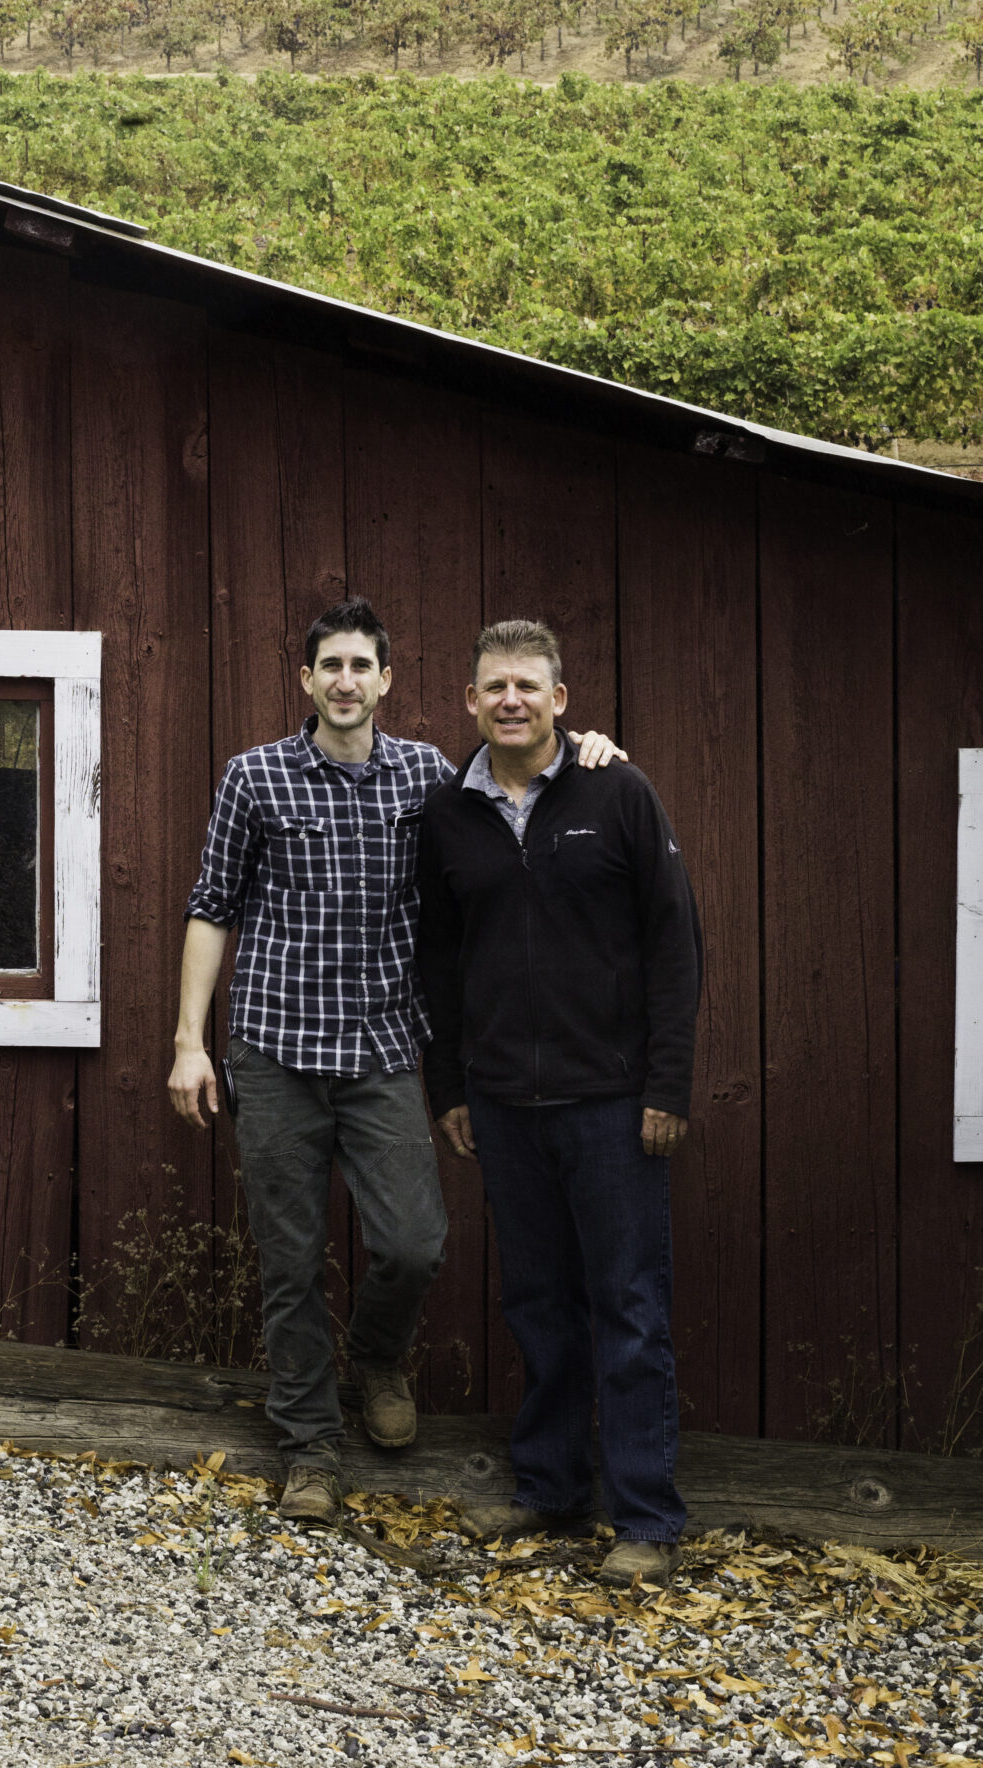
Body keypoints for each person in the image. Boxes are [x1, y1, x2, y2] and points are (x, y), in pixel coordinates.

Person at [167, 597, 624, 1524]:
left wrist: (590, 751)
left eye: (359, 667)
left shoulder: (426, 776)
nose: (343, 682)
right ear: (306, 680)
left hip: (381, 1052)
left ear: (386, 680)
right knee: (290, 1263)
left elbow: (520, 772)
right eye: (327, 666)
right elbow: (211, 906)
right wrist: (188, 1043)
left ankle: (377, 1355)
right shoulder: (253, 778)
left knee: (414, 1245)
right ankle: (310, 1447)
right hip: (274, 1051)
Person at [416, 619, 702, 1588]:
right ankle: (549, 1491)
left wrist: (667, 1085)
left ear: (560, 698)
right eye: (493, 684)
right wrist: (449, 1085)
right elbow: (441, 962)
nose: (511, 700)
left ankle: (647, 1519)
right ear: (470, 699)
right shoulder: (447, 815)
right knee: (539, 1304)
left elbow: (674, 943)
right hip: (501, 1104)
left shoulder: (616, 790)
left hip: (613, 1106)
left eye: (528, 686)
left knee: (628, 1308)